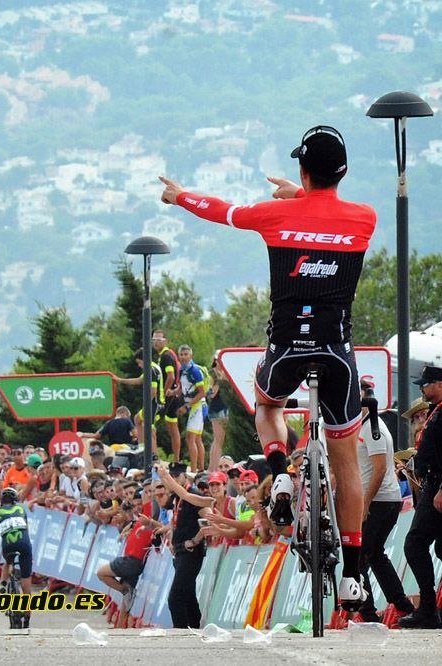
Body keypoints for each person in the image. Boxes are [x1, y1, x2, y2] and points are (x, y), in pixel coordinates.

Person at [160, 124, 377, 609]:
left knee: (267, 405)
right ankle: (354, 577)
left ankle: (279, 470)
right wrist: (303, 193)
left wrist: (179, 197)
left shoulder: (275, 216)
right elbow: (326, 211)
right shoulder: (365, 217)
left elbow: (222, 211)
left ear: (302, 167)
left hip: (286, 348)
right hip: (337, 354)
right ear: (342, 171)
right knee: (347, 463)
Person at [353, 387, 414, 622]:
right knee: (374, 554)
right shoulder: (363, 426)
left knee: (359, 555)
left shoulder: (373, 429)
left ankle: (368, 613)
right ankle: (403, 606)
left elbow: (379, 470)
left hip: (380, 500)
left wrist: (365, 503)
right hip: (381, 499)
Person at [399, 365, 442, 628]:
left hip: (438, 485)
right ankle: (430, 609)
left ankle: (427, 609)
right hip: (433, 482)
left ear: (439, 384)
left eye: (425, 384)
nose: (421, 388)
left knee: (415, 543)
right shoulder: (437, 412)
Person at [157, 461, 213, 628]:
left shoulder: (194, 495)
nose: (173, 479)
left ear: (185, 476)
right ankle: (195, 628)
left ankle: (180, 632)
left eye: (176, 476)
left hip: (191, 552)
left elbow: (206, 520)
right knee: (188, 593)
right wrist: (173, 535)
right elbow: (177, 519)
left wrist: (195, 540)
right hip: (181, 551)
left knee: (175, 596)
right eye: (172, 475)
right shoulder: (177, 498)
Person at [0, 488, 33, 629]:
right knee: (26, 584)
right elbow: (26, 530)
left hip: (8, 546)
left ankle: (4, 584)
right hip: (24, 544)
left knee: (7, 561)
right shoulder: (21, 509)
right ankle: (28, 614)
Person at [153, 331, 183, 464]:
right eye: (154, 339)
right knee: (172, 426)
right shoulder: (169, 354)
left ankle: (153, 457)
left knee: (150, 423)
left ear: (165, 341)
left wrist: (164, 393)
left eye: (159, 339)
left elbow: (170, 376)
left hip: (168, 396)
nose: (155, 342)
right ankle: (176, 459)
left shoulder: (166, 356)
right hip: (174, 395)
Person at [177, 345, 207, 472]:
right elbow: (184, 388)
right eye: (181, 355)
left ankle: (194, 471)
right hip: (193, 406)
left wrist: (187, 406)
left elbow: (202, 392)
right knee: (197, 439)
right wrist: (173, 392)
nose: (183, 357)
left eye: (186, 354)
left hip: (198, 406)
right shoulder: (182, 370)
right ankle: (200, 468)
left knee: (190, 438)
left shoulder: (194, 371)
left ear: (191, 356)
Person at [207, 359, 229, 472]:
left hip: (223, 408)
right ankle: (213, 469)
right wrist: (220, 378)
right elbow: (212, 393)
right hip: (217, 408)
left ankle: (213, 467)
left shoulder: (224, 372)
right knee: (218, 441)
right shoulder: (213, 374)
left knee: (219, 440)